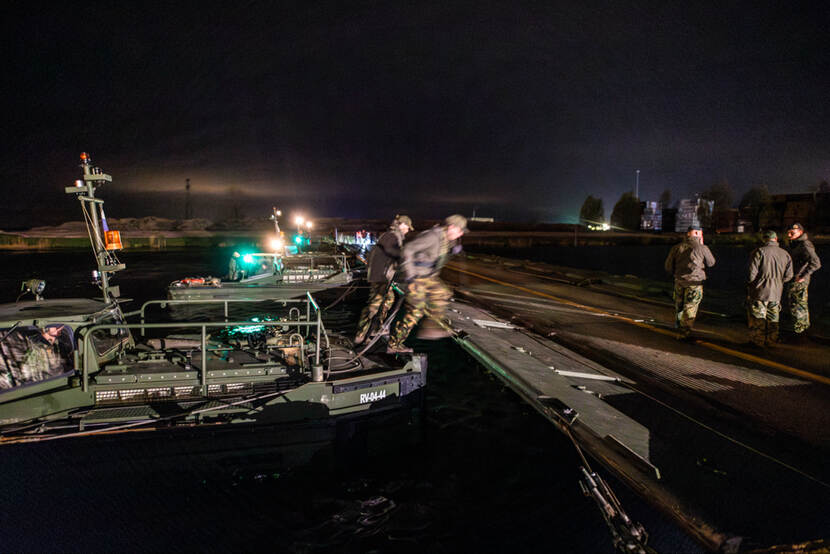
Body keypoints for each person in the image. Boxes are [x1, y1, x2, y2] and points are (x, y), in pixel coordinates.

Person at [387, 214, 467, 354]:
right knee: (416, 311)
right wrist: (410, 275)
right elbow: (407, 250)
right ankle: (394, 345)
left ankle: (431, 327)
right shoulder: (432, 237)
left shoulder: (446, 239)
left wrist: (453, 250)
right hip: (415, 275)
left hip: (427, 277)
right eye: (459, 230)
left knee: (443, 293)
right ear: (452, 227)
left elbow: (438, 258)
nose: (461, 234)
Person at [354, 215, 413, 344]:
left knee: (389, 299)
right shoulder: (391, 236)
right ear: (402, 224)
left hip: (382, 275)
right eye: (407, 227)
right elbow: (394, 253)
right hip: (380, 276)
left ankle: (376, 328)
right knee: (374, 305)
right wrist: (406, 255)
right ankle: (361, 334)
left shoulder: (392, 236)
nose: (408, 230)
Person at [664, 225, 716, 340]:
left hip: (679, 281)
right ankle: (684, 332)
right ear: (697, 234)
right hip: (695, 283)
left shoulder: (677, 247)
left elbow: (668, 266)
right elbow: (711, 263)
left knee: (680, 305)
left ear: (688, 234)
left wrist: (676, 274)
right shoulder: (702, 248)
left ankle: (679, 327)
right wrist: (702, 245)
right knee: (690, 307)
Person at [746, 230, 793, 347]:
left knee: (758, 317)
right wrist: (779, 282)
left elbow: (751, 274)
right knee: (773, 318)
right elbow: (789, 275)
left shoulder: (759, 252)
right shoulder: (785, 254)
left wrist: (751, 285)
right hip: (776, 292)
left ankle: (757, 341)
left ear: (764, 239)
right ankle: (771, 341)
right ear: (776, 239)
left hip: (760, 291)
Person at [0, 325, 71, 389]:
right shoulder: (19, 335)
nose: (58, 331)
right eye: (58, 329)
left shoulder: (54, 354)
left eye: (59, 330)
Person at [785, 222, 821, 341]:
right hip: (794, 279)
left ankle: (800, 334)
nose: (789, 234)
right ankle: (800, 332)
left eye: (792, 232)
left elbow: (816, 263)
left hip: (799, 280)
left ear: (800, 232)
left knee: (798, 305)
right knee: (796, 305)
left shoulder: (805, 245)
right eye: (788, 232)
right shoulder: (795, 244)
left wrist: (803, 275)